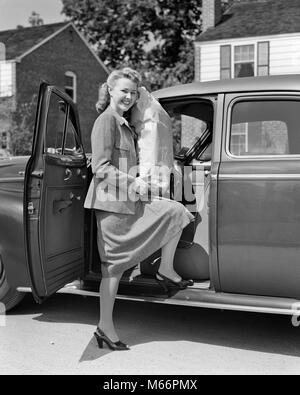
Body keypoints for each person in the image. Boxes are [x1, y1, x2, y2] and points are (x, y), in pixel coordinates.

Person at [84, 67, 194, 351]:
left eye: (133, 93)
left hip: (128, 202)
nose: (129, 97)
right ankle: (105, 328)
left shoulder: (125, 123)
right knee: (114, 268)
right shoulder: (106, 121)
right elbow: (101, 168)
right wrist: (134, 182)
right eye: (124, 91)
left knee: (177, 212)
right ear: (110, 90)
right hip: (111, 206)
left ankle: (166, 270)